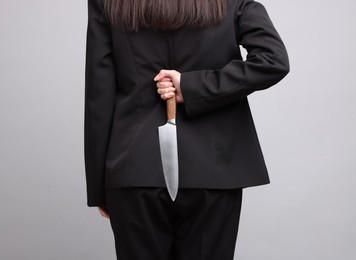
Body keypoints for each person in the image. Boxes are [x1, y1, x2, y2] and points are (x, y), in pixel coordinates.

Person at [84, 0, 289, 259]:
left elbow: (98, 95)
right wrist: (195, 86)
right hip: (213, 168)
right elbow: (273, 60)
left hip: (134, 166)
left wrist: (99, 188)